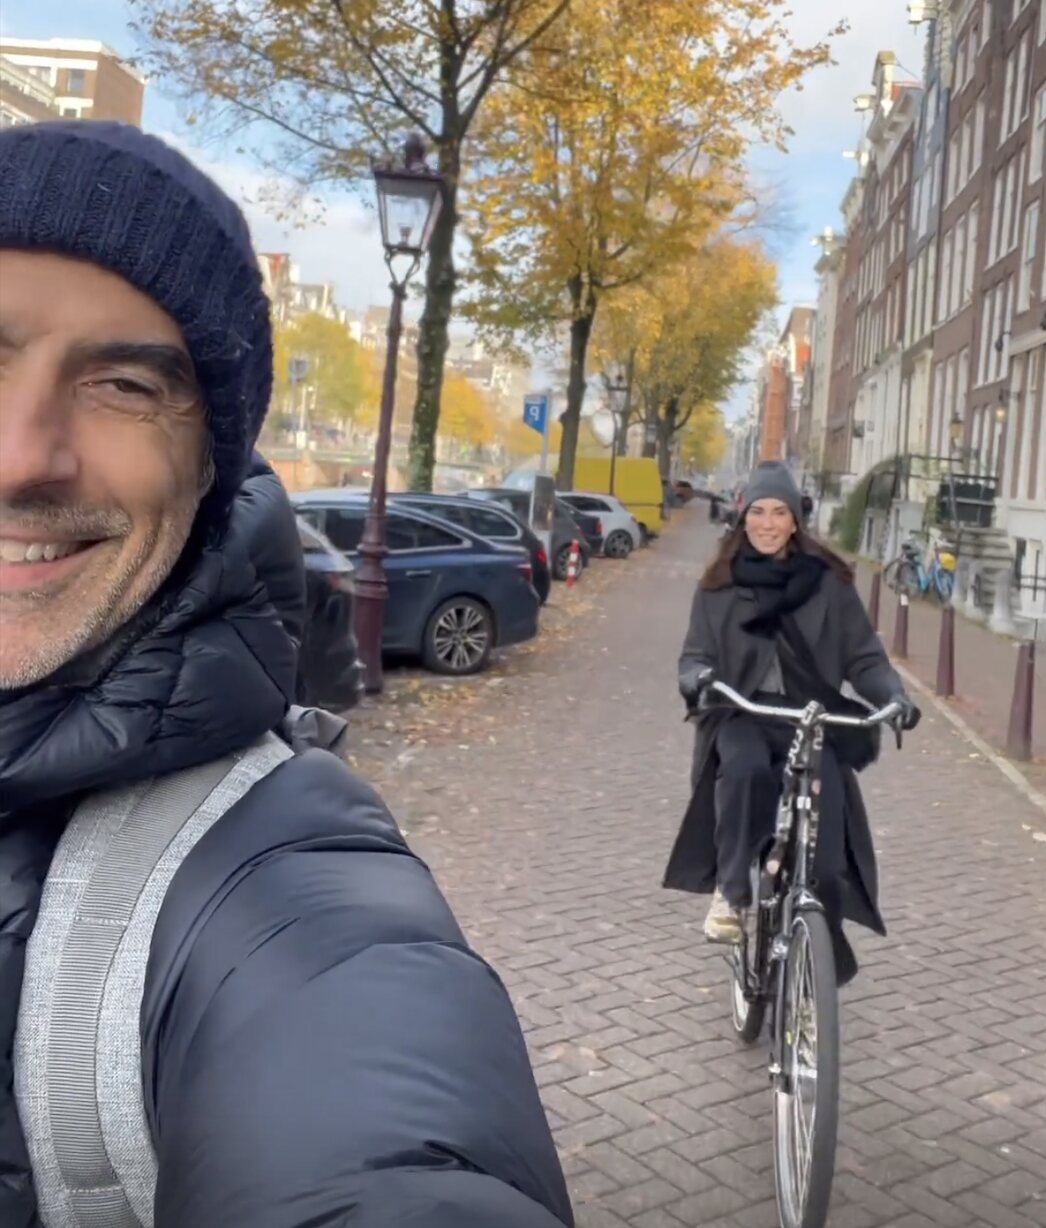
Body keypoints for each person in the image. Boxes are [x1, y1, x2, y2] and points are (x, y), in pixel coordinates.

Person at [0, 121, 573, 1228]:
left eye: (123, 384)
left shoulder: (269, 882)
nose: (23, 454)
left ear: (212, 464)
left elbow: (371, 1104)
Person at [664, 461, 920, 985]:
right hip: (744, 711)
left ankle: (814, 942)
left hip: (810, 716)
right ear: (743, 517)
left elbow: (864, 659)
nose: (767, 522)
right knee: (745, 769)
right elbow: (693, 655)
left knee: (826, 853)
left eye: (779, 512)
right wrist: (698, 678)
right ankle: (732, 895)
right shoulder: (718, 586)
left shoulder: (830, 584)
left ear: (796, 520)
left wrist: (894, 695)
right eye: (758, 511)